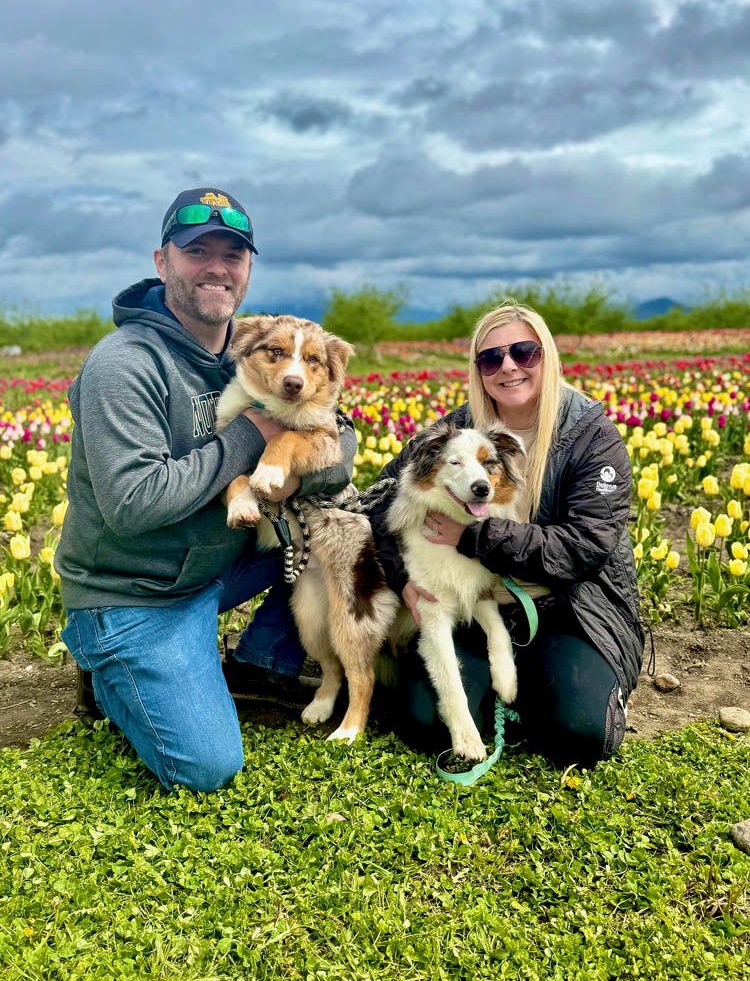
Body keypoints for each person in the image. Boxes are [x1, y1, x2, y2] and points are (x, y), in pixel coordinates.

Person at [56, 188, 355, 793]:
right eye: (197, 251)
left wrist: (291, 463)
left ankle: (263, 660)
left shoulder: (253, 349)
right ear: (163, 261)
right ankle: (108, 665)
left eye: (233, 254)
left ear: (247, 270)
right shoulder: (124, 365)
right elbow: (133, 504)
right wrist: (253, 435)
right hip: (136, 591)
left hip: (221, 560)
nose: (216, 267)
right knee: (206, 767)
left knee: (354, 528)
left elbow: (340, 442)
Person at [367, 302, 645, 768]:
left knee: (578, 735)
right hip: (477, 602)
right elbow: (380, 503)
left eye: (524, 352)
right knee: (425, 725)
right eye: (491, 358)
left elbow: (585, 546)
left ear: (547, 355)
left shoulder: (591, 435)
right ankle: (507, 692)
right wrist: (402, 579)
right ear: (478, 370)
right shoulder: (455, 431)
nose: (508, 367)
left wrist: (473, 535)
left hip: (570, 607)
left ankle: (560, 686)